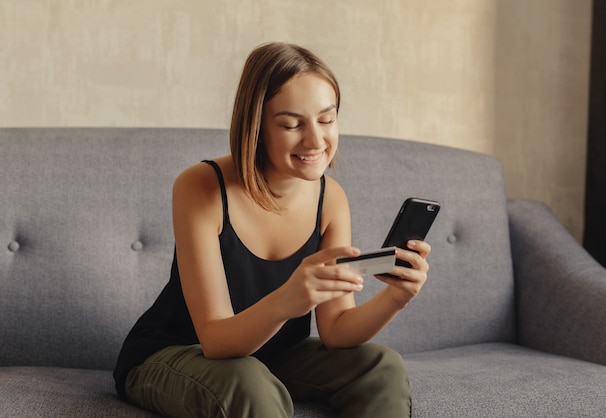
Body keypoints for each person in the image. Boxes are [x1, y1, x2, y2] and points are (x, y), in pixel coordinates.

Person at [113, 42, 431, 418]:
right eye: (291, 124)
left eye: (326, 119)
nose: (315, 140)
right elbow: (214, 341)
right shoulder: (201, 187)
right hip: (177, 353)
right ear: (257, 127)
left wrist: (396, 298)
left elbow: (336, 331)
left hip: (271, 358)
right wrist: (289, 299)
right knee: (246, 380)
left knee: (382, 366)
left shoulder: (331, 200)